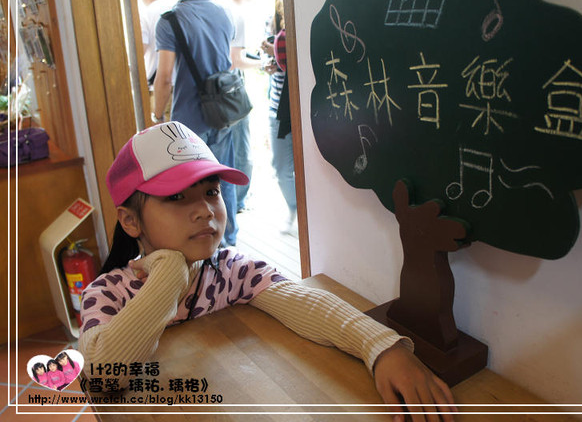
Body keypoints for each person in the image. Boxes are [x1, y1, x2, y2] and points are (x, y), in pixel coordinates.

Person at [78, 121, 456, 422]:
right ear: (130, 220)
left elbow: (305, 303)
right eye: (176, 197)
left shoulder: (230, 271)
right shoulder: (108, 293)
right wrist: (169, 275)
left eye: (211, 192)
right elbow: (101, 375)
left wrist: (382, 347)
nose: (205, 210)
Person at [153, 0, 240, 247]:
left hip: (189, 121)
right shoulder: (223, 13)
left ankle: (208, 248)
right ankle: (230, 242)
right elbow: (227, 62)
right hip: (223, 113)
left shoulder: (170, 21)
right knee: (223, 180)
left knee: (194, 190)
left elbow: (165, 76)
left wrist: (157, 115)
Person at [222, 0, 262, 213]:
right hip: (233, 89)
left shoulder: (222, 10)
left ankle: (233, 200)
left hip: (218, 91)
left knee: (231, 146)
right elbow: (235, 60)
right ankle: (239, 200)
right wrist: (263, 63)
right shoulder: (238, 14)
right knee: (242, 147)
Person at [261, 0, 297, 234]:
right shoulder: (272, 23)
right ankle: (295, 208)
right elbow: (267, 62)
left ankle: (304, 211)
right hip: (277, 106)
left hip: (302, 105)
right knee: (281, 167)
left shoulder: (301, 17)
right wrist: (269, 61)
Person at [136, 0, 174, 122]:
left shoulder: (147, 14)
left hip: (161, 90)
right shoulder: (181, 6)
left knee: (165, 135)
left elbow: (139, 52)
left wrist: (157, 115)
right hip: (188, 91)